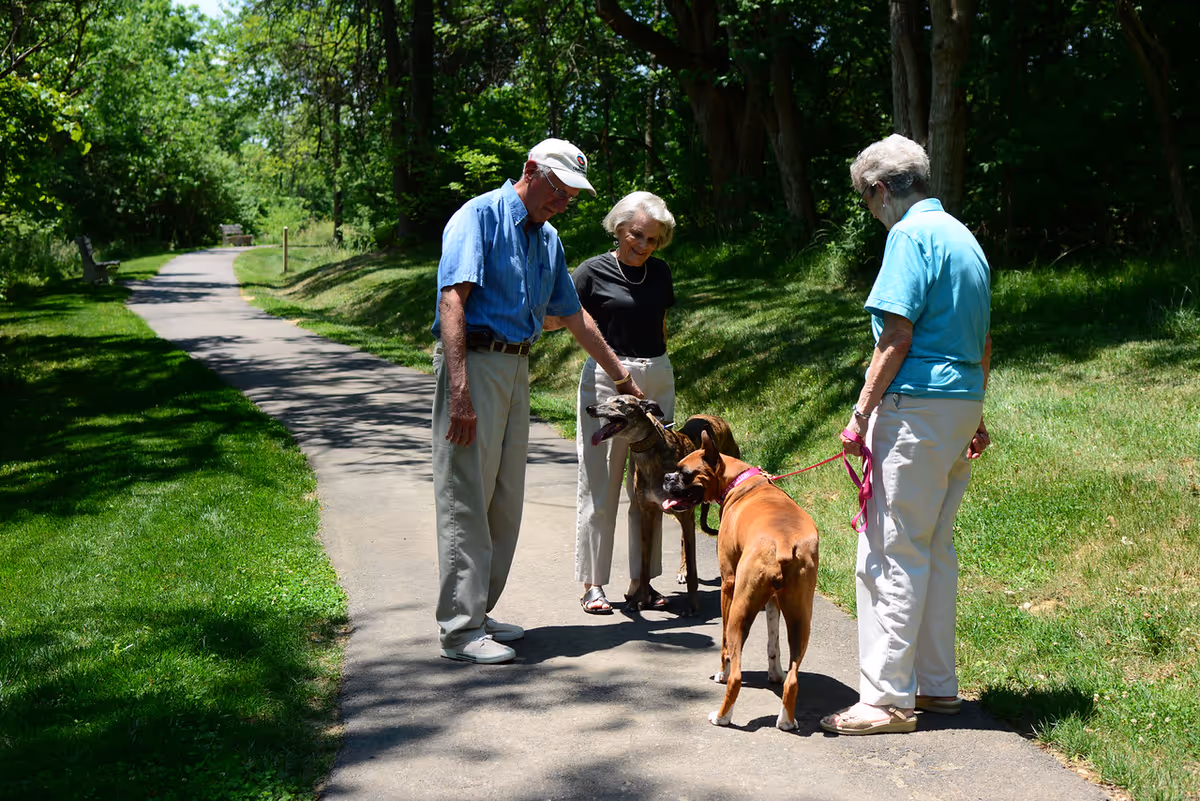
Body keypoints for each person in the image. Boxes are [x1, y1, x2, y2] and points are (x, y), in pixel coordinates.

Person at [431, 139, 644, 664]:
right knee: (466, 496)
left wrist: (621, 378)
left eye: (573, 194)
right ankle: (458, 632)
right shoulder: (477, 216)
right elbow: (452, 300)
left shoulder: (548, 240)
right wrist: (459, 392)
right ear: (531, 171)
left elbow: (576, 318)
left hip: (517, 365)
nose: (565, 201)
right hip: (475, 366)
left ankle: (478, 612)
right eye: (560, 189)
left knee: (504, 498)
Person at [820, 134, 992, 734]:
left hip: (915, 408)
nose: (870, 213)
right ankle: (936, 686)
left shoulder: (908, 235)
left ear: (881, 189)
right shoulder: (964, 237)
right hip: (959, 404)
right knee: (933, 550)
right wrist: (976, 412)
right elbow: (982, 336)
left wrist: (861, 412)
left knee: (890, 549)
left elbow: (897, 334)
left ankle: (887, 699)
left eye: (866, 200)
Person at [568, 192, 677, 615]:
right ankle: (593, 584)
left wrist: (657, 374)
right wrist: (618, 372)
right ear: (618, 228)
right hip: (607, 378)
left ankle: (643, 582)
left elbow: (661, 325)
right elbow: (570, 321)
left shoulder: (661, 273)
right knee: (601, 481)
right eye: (636, 235)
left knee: (653, 484)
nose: (643, 245)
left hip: (657, 374)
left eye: (652, 239)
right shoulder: (591, 272)